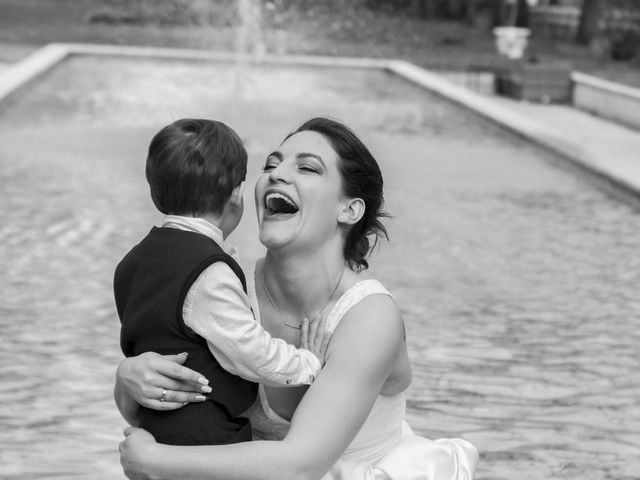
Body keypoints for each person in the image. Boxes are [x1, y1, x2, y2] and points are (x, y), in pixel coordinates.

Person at [117, 117, 479, 479]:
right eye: (270, 165)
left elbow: (301, 467)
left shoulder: (369, 318)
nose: (276, 174)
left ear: (349, 209)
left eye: (306, 167)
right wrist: (129, 380)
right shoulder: (219, 289)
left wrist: (153, 462)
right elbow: (170, 410)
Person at [114, 118, 330, 447]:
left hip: (153, 429)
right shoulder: (208, 270)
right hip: (208, 435)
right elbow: (248, 351)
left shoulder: (130, 263)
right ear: (236, 195)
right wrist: (308, 363)